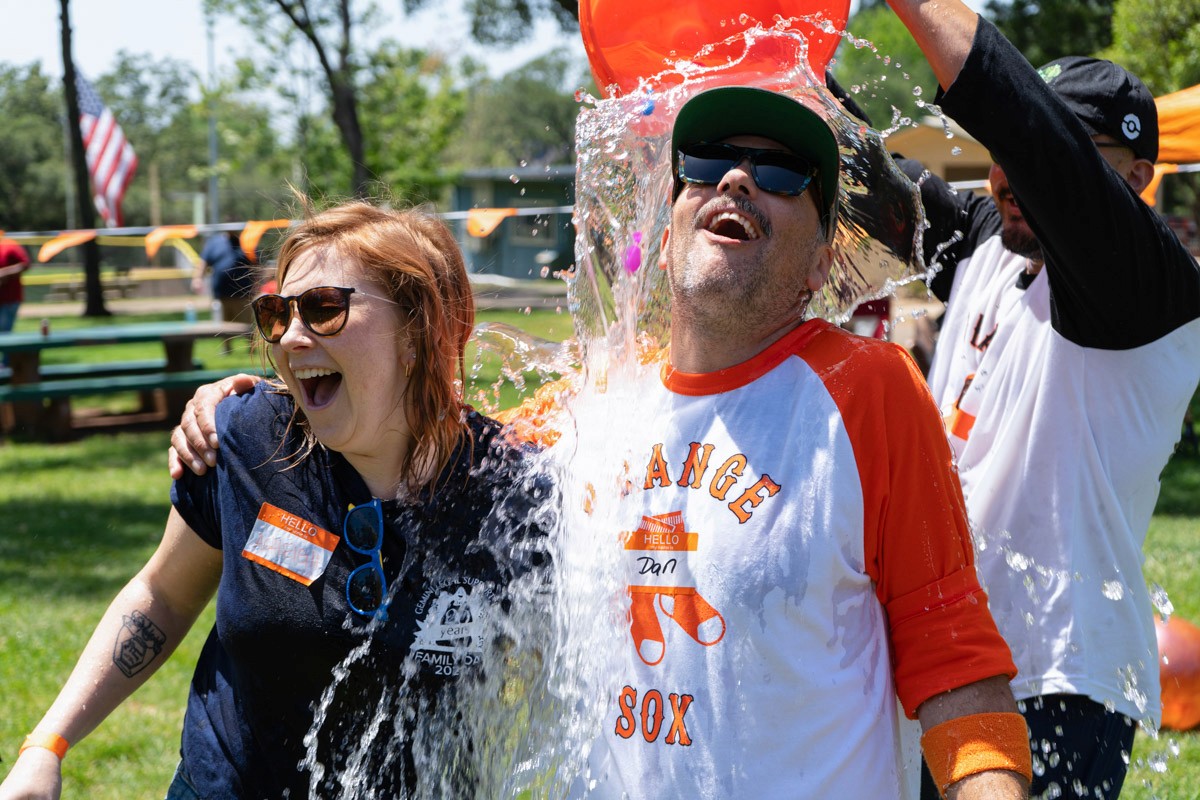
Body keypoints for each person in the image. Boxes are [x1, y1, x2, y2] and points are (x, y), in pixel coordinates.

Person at [169, 87, 1031, 798]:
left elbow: (951, 653)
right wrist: (267, 394)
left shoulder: (867, 391)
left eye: (780, 174)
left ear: (821, 264)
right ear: (669, 232)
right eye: (706, 166)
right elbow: (405, 426)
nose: (736, 178)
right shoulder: (578, 418)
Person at [0, 201, 549, 800]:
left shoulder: (514, 491)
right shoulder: (246, 439)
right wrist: (45, 747)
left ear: (420, 328)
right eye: (275, 312)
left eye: (324, 309)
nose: (290, 336)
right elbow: (163, 594)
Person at [884, 1, 1200, 797]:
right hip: (948, 661)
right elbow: (867, 172)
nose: (1009, 174)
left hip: (1059, 682)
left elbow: (1031, 137)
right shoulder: (995, 247)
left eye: (1056, 159)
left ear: (1133, 180)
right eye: (1000, 156)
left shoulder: (1147, 290)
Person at [191, 229, 256, 324]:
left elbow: (256, 266)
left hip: (243, 297)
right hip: (221, 297)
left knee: (247, 330)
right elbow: (203, 262)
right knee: (223, 331)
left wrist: (258, 286)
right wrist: (197, 279)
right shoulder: (215, 243)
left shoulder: (247, 242)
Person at [0, 234, 32, 334]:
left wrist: (3, 273)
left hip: (9, 299)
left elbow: (25, 264)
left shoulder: (9, 245)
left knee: (4, 333)